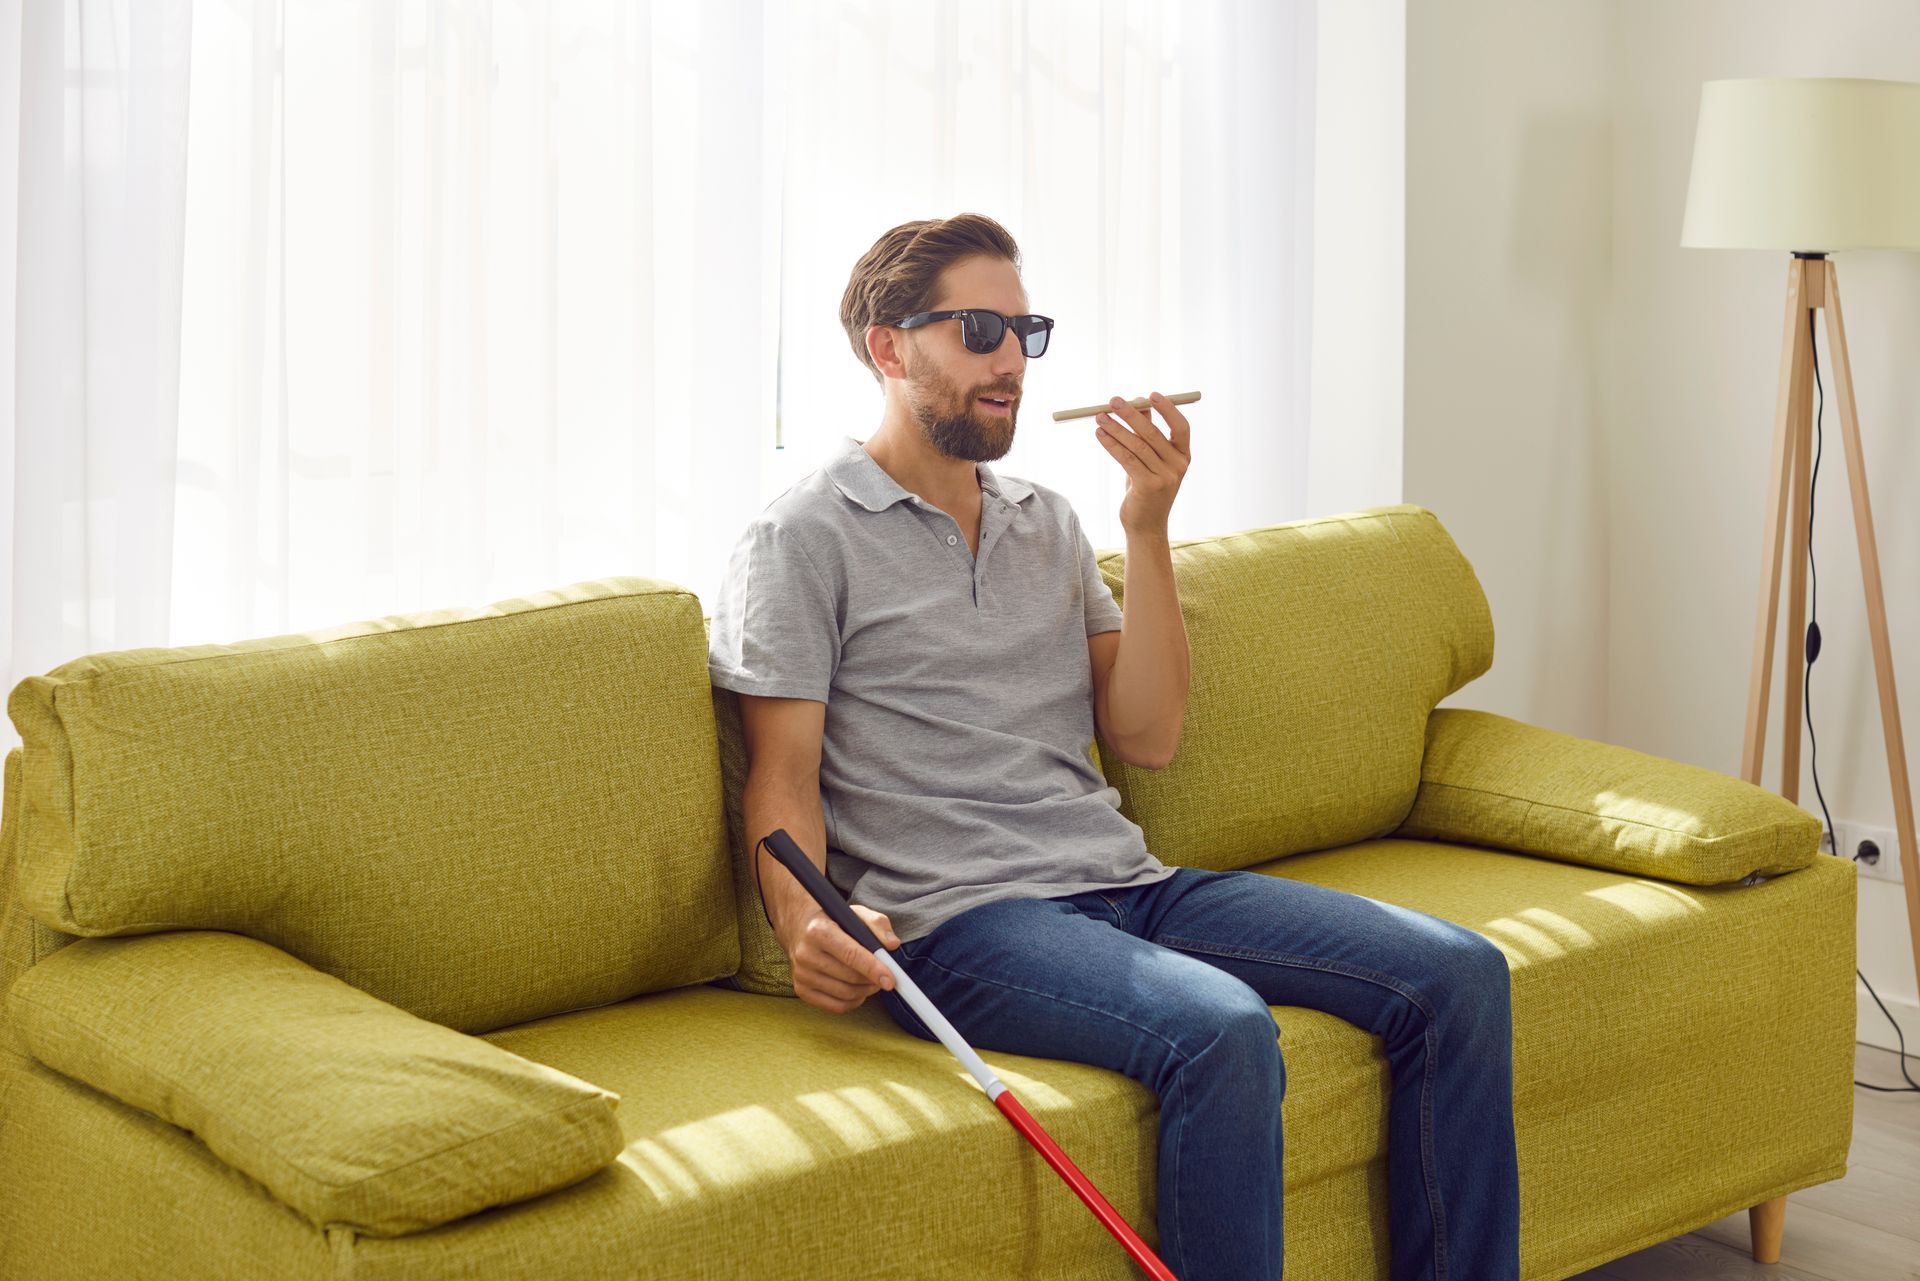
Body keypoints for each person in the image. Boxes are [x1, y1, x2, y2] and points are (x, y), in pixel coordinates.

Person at [706, 212, 1521, 1281]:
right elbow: (782, 779)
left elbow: (1148, 734)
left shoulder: (1045, 520)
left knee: (1456, 973)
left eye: (1024, 333)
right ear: (889, 348)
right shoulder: (803, 536)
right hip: (960, 922)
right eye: (980, 330)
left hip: (1126, 884)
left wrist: (1145, 526)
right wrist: (809, 922)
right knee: (1222, 1029)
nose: (1011, 362)